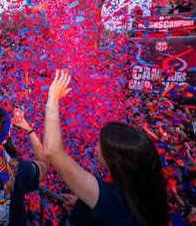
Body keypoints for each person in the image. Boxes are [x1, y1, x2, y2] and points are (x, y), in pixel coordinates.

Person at [43, 70, 169, 226]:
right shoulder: (138, 195)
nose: (96, 146)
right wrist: (83, 203)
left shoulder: (114, 200)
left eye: (100, 143)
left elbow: (52, 151)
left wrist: (53, 98)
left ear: (114, 158)